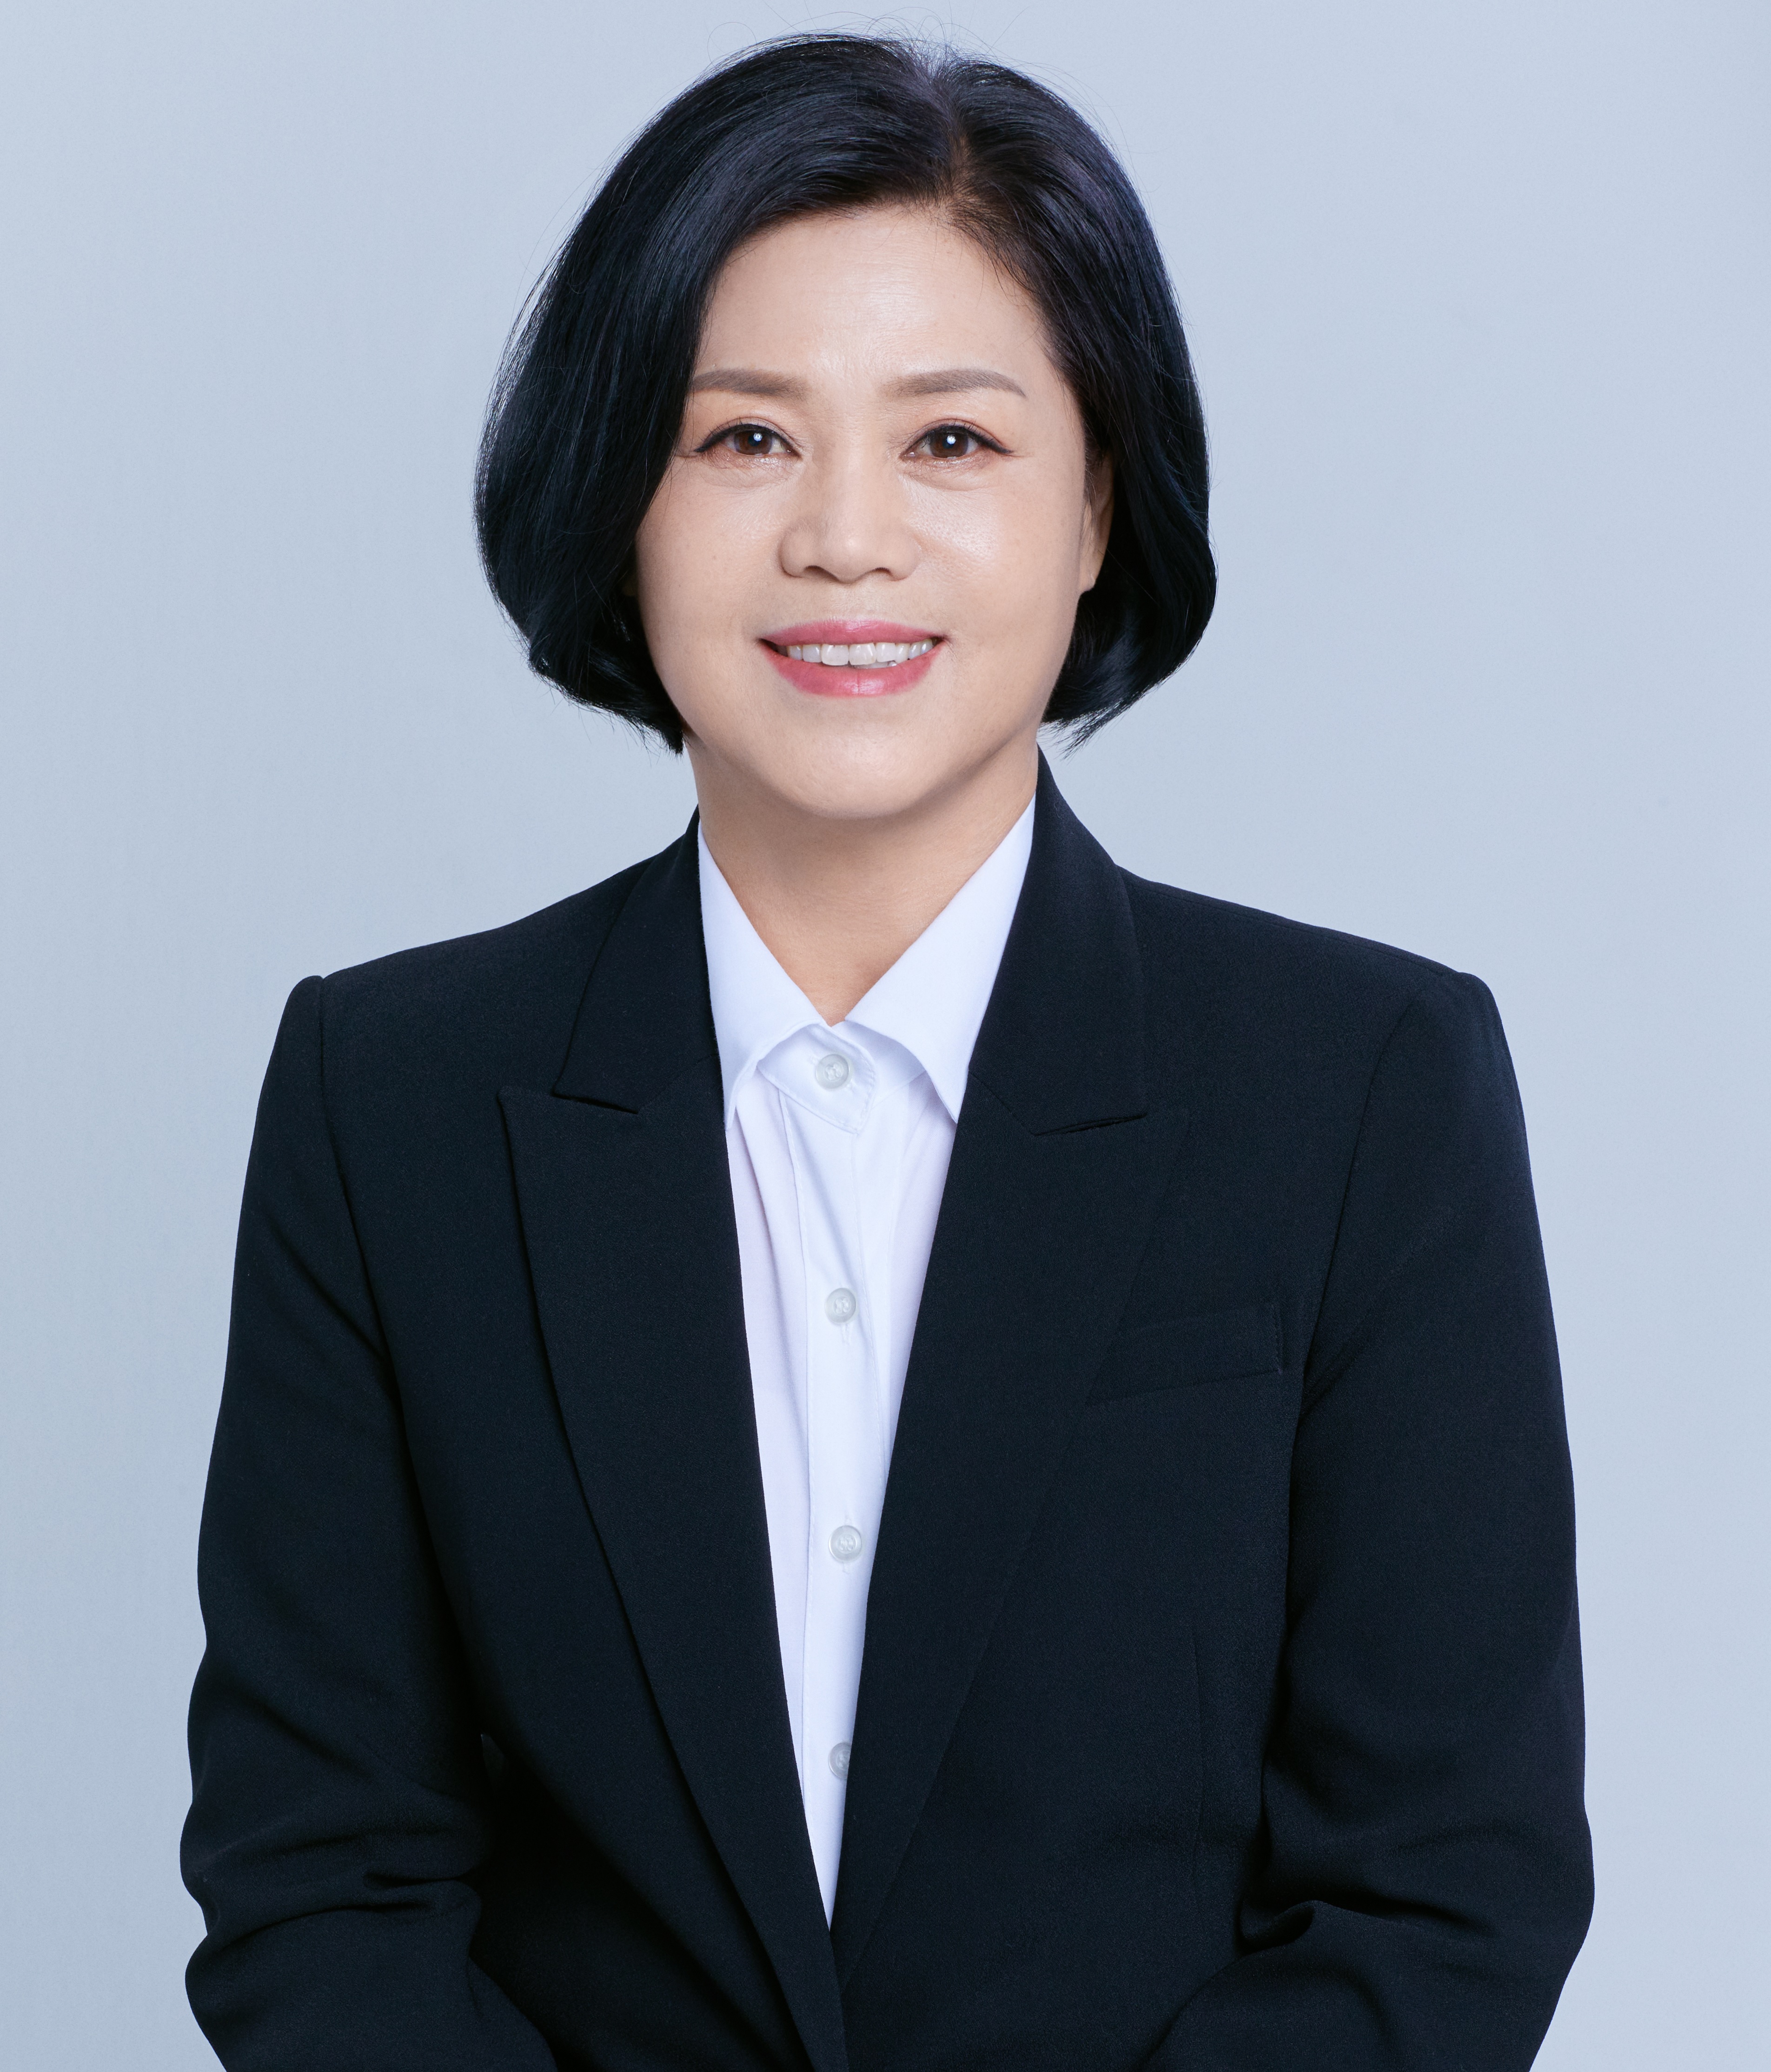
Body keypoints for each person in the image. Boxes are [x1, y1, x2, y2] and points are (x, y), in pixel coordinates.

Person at [181, 33, 1593, 2072]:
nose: (844, 537)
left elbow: (1437, 1896)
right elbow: (323, 1885)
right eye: (743, 437)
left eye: (950, 440)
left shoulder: (1367, 1085)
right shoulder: (387, 1096)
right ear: (620, 495)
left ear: (1094, 505)